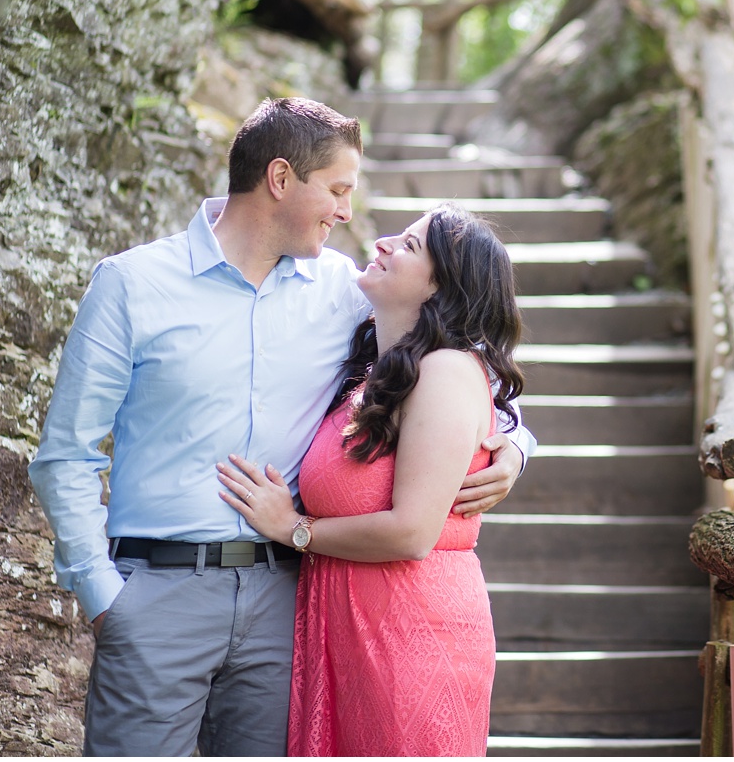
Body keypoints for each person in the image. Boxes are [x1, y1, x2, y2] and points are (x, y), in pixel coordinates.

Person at [27, 98, 535, 757]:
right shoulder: (131, 285)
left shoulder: (344, 292)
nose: (347, 213)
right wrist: (105, 596)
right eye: (338, 189)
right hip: (157, 591)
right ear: (279, 178)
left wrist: (516, 446)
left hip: (287, 603)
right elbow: (65, 455)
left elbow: (467, 362)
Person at [221, 203, 520, 756]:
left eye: (409, 247)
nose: (382, 243)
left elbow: (412, 532)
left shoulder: (446, 370)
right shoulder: (377, 368)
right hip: (346, 627)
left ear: (441, 288)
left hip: (411, 634)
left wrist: (294, 529)